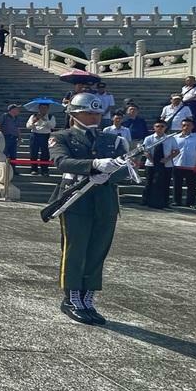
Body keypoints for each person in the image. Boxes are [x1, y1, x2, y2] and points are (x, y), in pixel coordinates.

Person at [48, 92, 132, 325]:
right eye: (88, 113)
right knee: (75, 250)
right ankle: (72, 297)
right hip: (76, 201)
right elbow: (61, 162)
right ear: (74, 114)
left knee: (97, 251)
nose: (94, 117)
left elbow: (127, 168)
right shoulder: (61, 136)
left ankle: (88, 298)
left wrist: (110, 174)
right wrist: (93, 165)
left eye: (97, 113)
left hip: (106, 201)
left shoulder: (112, 140)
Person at [140, 120, 179, 209]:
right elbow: (145, 151)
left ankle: (165, 201)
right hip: (151, 164)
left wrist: (167, 159)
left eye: (162, 126)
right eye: (157, 126)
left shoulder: (170, 138)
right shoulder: (149, 138)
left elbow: (176, 151)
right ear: (154, 127)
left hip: (166, 164)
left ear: (165, 128)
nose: (160, 128)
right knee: (149, 182)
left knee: (166, 183)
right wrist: (152, 160)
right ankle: (145, 200)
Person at [172, 118, 196, 207]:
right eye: (184, 125)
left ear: (192, 126)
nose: (186, 127)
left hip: (191, 165)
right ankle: (176, 201)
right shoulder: (175, 138)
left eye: (188, 125)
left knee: (191, 185)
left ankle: (191, 203)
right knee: (177, 184)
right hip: (177, 164)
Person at [25, 104, 56, 175]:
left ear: (48, 109)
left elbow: (52, 126)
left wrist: (44, 120)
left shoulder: (50, 117)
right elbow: (28, 126)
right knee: (33, 153)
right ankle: (34, 169)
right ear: (39, 108)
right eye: (42, 108)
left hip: (46, 135)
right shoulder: (33, 116)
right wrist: (34, 121)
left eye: (45, 108)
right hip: (35, 135)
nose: (43, 109)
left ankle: (44, 170)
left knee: (45, 153)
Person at [0, 104, 21, 170]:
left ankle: (13, 169)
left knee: (13, 155)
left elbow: (18, 129)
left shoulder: (17, 118)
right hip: (6, 137)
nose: (18, 110)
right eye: (17, 109)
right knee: (5, 154)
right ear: (12, 110)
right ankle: (4, 169)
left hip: (14, 138)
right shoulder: (4, 116)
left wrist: (19, 138)